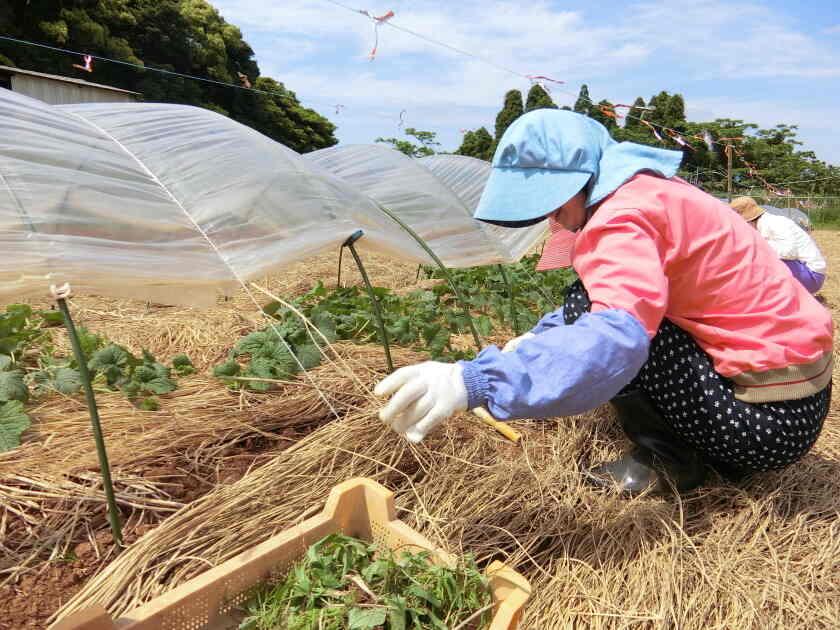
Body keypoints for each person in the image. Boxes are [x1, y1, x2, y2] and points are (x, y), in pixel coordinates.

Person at [375, 109, 833, 495]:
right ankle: (707, 451)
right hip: (796, 399)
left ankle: (670, 461)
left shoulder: (621, 216)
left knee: (613, 322)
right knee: (590, 303)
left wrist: (480, 381)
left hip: (766, 426)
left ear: (588, 176)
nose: (553, 217)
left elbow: (616, 332)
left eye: (555, 202)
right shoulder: (657, 191)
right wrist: (540, 337)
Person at [731, 196, 826, 294]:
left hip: (811, 276)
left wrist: (758, 245)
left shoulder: (776, 223)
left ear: (748, 220)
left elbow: (789, 252)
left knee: (756, 258)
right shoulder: (765, 225)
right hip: (801, 271)